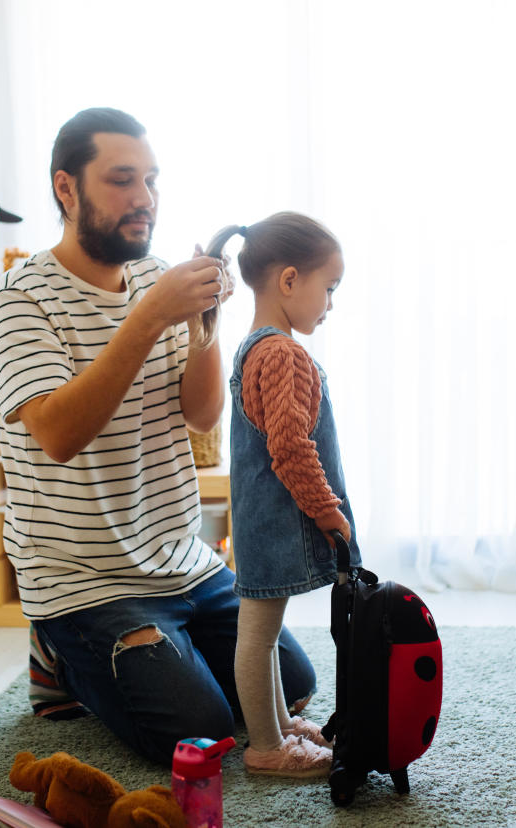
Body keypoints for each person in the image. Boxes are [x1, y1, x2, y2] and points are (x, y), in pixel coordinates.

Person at [0, 108, 317, 765]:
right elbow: (59, 435)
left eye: (152, 180)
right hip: (84, 579)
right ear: (66, 189)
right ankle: (57, 655)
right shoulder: (19, 300)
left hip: (179, 560)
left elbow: (201, 414)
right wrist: (150, 314)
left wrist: (204, 327)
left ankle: (144, 651)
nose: (144, 199)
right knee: (202, 734)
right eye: (122, 180)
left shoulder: (153, 277)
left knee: (295, 688)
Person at [206, 212, 361, 777]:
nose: (331, 303)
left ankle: (278, 727)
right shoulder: (283, 354)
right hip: (277, 521)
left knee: (263, 634)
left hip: (254, 521)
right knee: (258, 635)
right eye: (330, 288)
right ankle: (267, 748)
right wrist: (329, 514)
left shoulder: (254, 347)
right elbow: (292, 449)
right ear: (290, 280)